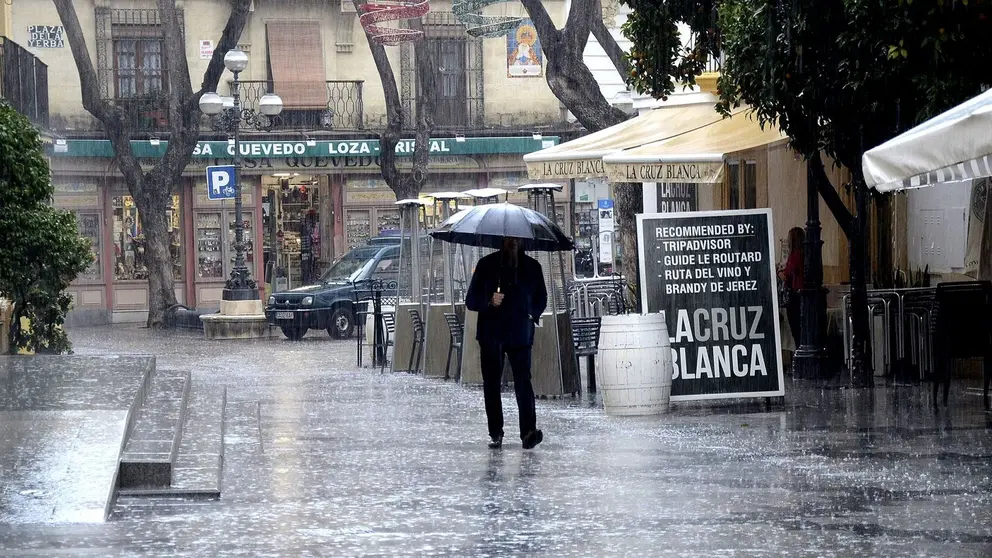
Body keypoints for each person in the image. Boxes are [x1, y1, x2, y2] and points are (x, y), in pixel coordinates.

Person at [465, 237, 547, 450]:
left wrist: (532, 314)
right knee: (492, 384)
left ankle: (528, 431)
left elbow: (541, 297)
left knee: (523, 382)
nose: (513, 242)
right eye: (509, 239)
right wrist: (489, 300)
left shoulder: (532, 267)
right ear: (502, 241)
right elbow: (471, 300)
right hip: (492, 334)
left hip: (520, 333)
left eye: (517, 239)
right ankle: (496, 432)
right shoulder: (486, 265)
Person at [778, 226, 805, 347]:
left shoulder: (794, 255)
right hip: (802, 295)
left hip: (795, 296)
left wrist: (779, 272)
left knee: (796, 330)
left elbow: (787, 276)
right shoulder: (804, 254)